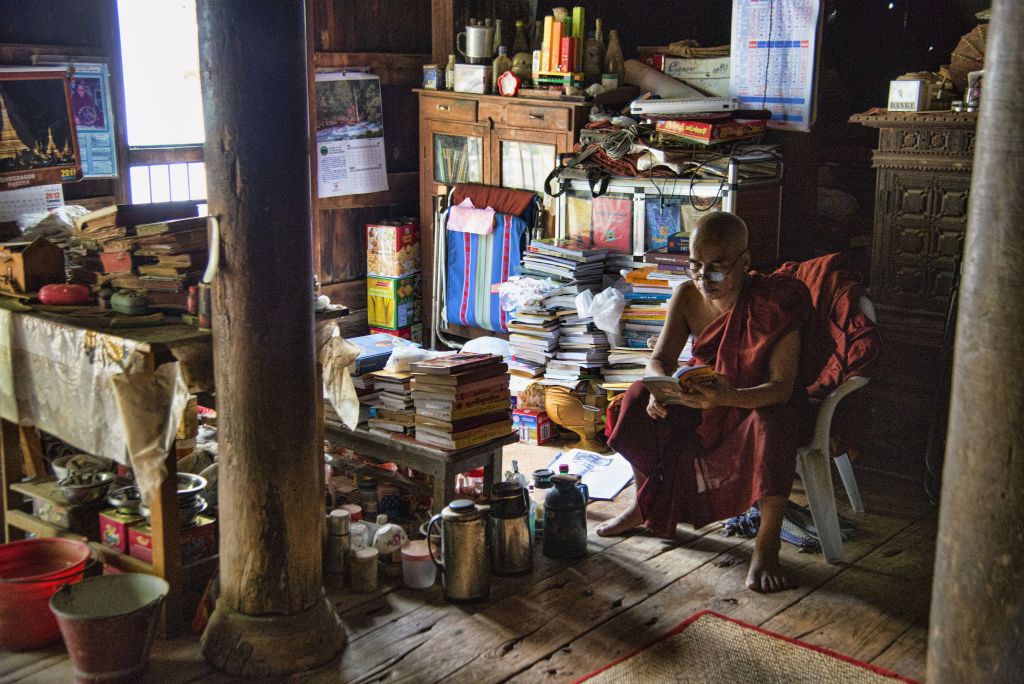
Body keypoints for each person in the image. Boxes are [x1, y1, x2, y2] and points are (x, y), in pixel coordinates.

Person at [598, 211, 823, 593]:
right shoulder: (687, 295)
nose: (704, 280)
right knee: (634, 400)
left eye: (717, 270)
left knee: (772, 427)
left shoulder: (776, 305)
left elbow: (782, 388)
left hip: (755, 401)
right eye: (695, 267)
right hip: (703, 395)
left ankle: (766, 547)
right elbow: (662, 359)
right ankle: (642, 504)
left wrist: (728, 397)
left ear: (745, 263)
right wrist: (659, 386)